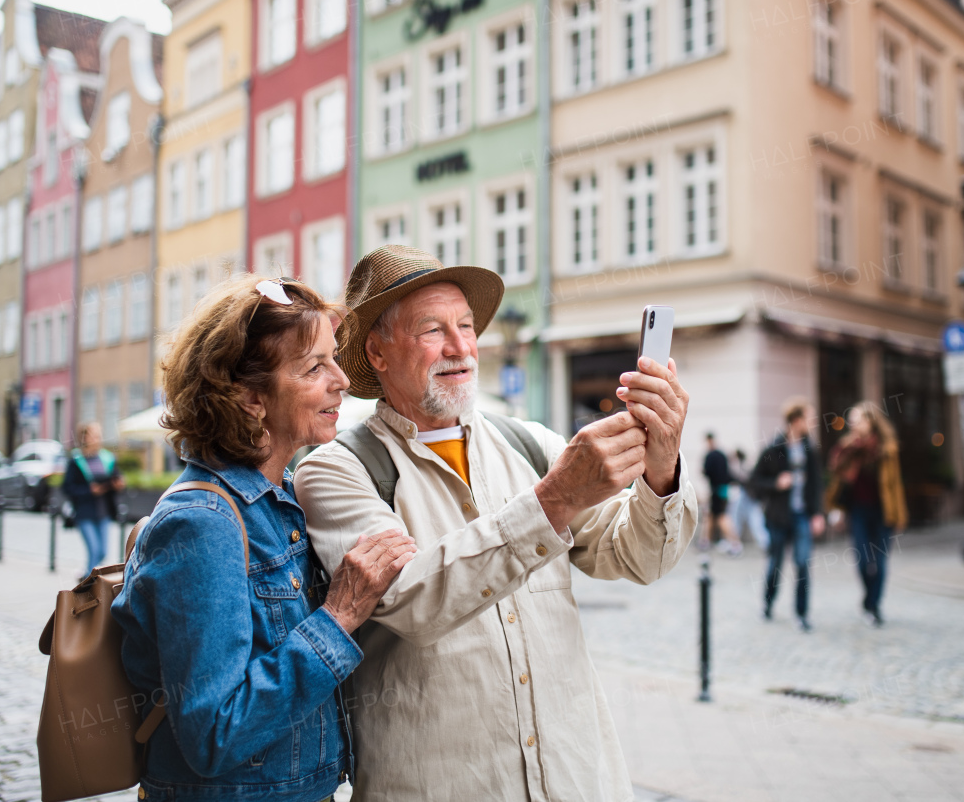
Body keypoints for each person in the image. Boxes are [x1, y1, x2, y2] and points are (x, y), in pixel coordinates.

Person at [297, 245, 696, 802]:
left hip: (576, 779)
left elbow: (641, 558)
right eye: (433, 329)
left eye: (466, 325)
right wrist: (553, 501)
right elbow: (413, 601)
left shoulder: (531, 443)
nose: (461, 346)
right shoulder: (335, 470)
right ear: (378, 353)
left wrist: (661, 470)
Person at [112, 276, 417, 801]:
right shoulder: (203, 524)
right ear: (252, 397)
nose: (342, 380)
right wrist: (338, 617)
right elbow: (214, 733)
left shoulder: (286, 497)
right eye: (315, 367)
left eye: (334, 359)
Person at [827, 401, 908, 627]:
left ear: (871, 421)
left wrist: (900, 515)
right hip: (859, 511)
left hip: (884, 512)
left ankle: (873, 605)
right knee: (863, 562)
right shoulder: (848, 446)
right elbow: (835, 470)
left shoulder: (887, 448)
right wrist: (849, 449)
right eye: (852, 420)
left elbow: (895, 485)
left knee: (880, 563)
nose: (854, 424)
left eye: (858, 419)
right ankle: (868, 598)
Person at [751, 397, 824, 632]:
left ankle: (802, 614)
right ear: (796, 420)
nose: (812, 422)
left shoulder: (809, 449)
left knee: (803, 563)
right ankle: (768, 603)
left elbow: (816, 484)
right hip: (777, 517)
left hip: (802, 515)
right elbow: (753, 482)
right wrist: (776, 483)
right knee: (776, 563)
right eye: (808, 417)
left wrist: (818, 514)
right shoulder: (774, 449)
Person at [62, 421, 124, 576]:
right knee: (94, 550)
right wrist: (89, 490)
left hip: (104, 511)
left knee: (103, 552)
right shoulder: (76, 460)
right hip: (84, 512)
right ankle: (88, 588)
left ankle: (86, 578)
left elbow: (116, 480)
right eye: (94, 435)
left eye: (99, 435)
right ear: (84, 437)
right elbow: (67, 487)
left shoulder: (107, 458)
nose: (97, 438)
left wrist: (118, 484)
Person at [702, 432, 742, 555]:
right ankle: (705, 541)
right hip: (723, 488)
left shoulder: (711, 455)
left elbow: (706, 472)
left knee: (721, 517)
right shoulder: (722, 454)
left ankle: (735, 543)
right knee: (711, 516)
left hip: (717, 489)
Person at [731, 447, 768, 550]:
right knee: (737, 519)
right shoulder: (744, 465)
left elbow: (746, 480)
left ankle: (765, 543)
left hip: (750, 497)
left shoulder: (744, 466)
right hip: (747, 496)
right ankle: (734, 542)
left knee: (755, 521)